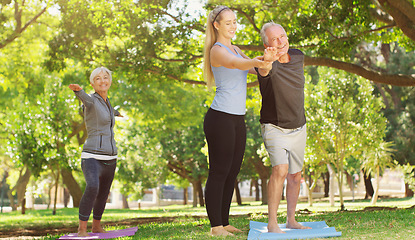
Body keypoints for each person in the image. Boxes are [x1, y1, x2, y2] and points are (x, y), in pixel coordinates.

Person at [202, 5, 276, 236]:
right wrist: (258, 61)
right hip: (220, 118)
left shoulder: (236, 48)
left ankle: (224, 222)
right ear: (216, 25)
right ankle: (215, 226)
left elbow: (258, 72)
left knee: (232, 171)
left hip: (236, 119)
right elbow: (238, 64)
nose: (233, 26)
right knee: (219, 171)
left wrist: (267, 61)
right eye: (228, 22)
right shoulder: (217, 50)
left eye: (235, 22)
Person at [256, 22, 312, 233]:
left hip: (299, 126)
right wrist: (268, 60)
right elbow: (264, 71)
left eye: (283, 36)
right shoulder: (264, 63)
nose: (280, 42)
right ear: (266, 44)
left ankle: (291, 220)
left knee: (296, 175)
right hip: (274, 127)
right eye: (274, 39)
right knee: (280, 169)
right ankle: (272, 223)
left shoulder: (298, 56)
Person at [68, 67, 121, 237]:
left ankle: (96, 226)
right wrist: (79, 91)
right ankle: (81, 229)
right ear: (92, 83)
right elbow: (86, 100)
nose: (102, 80)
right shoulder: (90, 100)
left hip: (111, 157)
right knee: (92, 187)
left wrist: (116, 113)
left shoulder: (107, 102)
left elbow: (107, 112)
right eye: (98, 78)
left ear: (110, 81)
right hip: (92, 156)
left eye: (105, 77)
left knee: (104, 193)